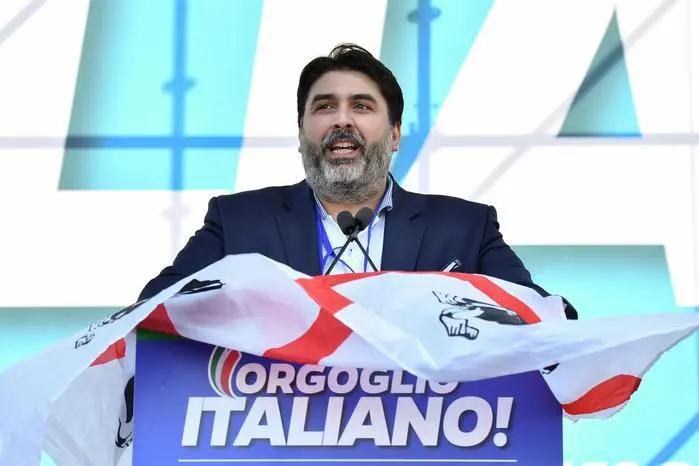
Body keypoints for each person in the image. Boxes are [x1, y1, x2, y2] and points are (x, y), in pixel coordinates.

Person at [138, 43, 577, 319]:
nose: (342, 120)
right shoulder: (238, 222)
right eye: (324, 107)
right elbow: (152, 311)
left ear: (395, 135)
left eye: (362, 107)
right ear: (301, 132)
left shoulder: (463, 228)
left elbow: (542, 318)